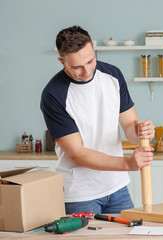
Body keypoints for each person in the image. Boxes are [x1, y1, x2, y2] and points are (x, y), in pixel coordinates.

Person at [40, 25, 155, 214]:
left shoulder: (113, 75)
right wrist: (127, 164)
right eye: (76, 67)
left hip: (118, 188)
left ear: (93, 48)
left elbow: (128, 125)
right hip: (80, 194)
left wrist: (140, 132)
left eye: (90, 61)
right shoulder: (54, 94)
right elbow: (77, 153)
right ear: (62, 62)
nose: (86, 71)